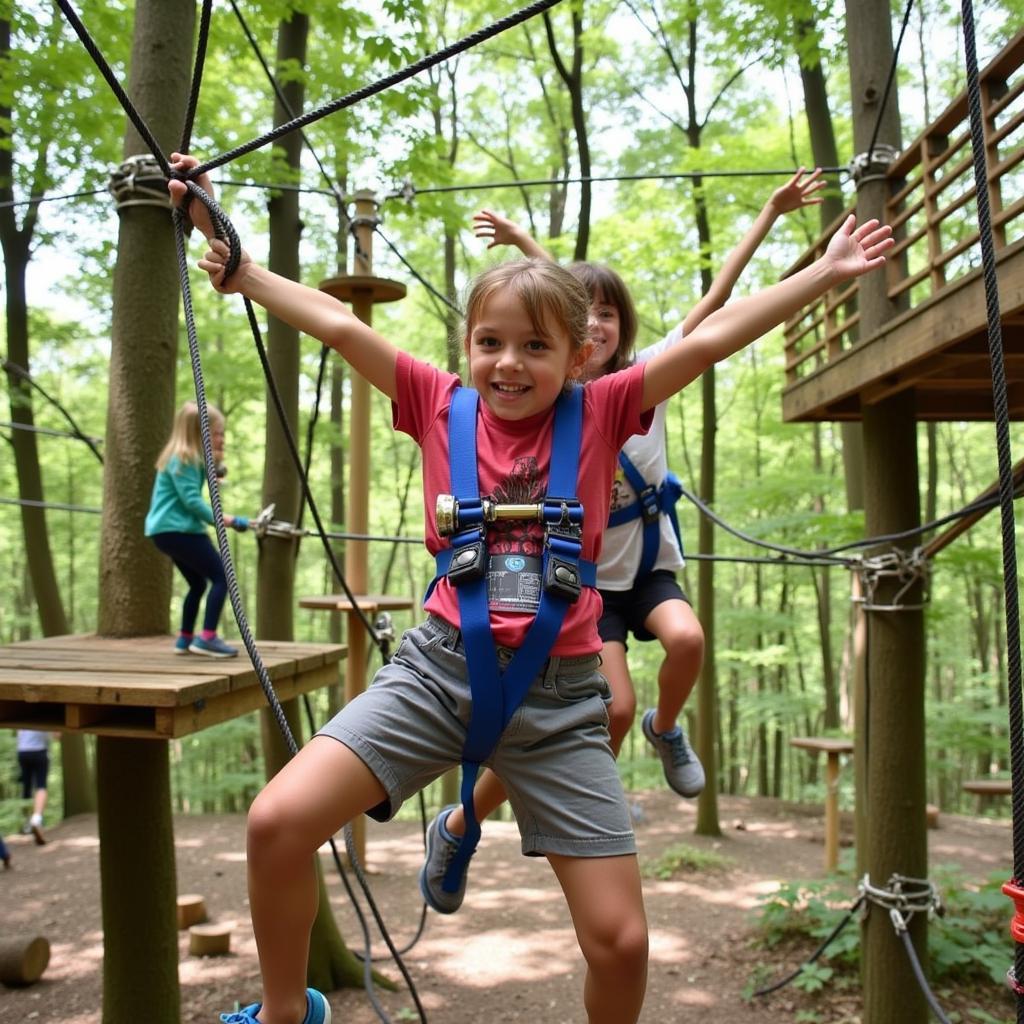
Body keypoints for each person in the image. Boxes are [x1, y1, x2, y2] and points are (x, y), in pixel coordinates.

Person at [169, 151, 890, 1024]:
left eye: (535, 347)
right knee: (276, 822)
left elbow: (708, 338)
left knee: (621, 942)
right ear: (467, 344)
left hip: (560, 699)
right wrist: (238, 261)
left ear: (577, 354)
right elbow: (338, 325)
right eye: (490, 343)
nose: (509, 364)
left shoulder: (606, 409)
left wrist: (822, 273)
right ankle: (288, 1013)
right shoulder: (437, 404)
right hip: (437, 672)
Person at [420, 170, 826, 914]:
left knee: (689, 641)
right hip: (581, 590)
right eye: (589, 316)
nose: (598, 327)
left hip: (643, 568)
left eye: (608, 316)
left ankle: (664, 731)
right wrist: (518, 245)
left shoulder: (640, 384)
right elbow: (546, 306)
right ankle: (497, 815)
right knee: (602, 709)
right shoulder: (551, 396)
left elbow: (718, 310)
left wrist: (770, 217)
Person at [144, 400, 250, 658]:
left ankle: (185, 638)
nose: (221, 438)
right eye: (216, 433)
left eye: (222, 433)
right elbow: (191, 501)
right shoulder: (186, 458)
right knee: (222, 577)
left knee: (197, 583)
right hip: (179, 530)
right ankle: (208, 638)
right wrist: (228, 519)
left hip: (165, 532)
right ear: (198, 432)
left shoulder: (183, 458)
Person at [17, 729, 51, 845]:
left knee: (26, 789)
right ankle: (36, 819)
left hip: (22, 752)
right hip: (40, 752)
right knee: (41, 786)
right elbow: (57, 735)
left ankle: (27, 823)